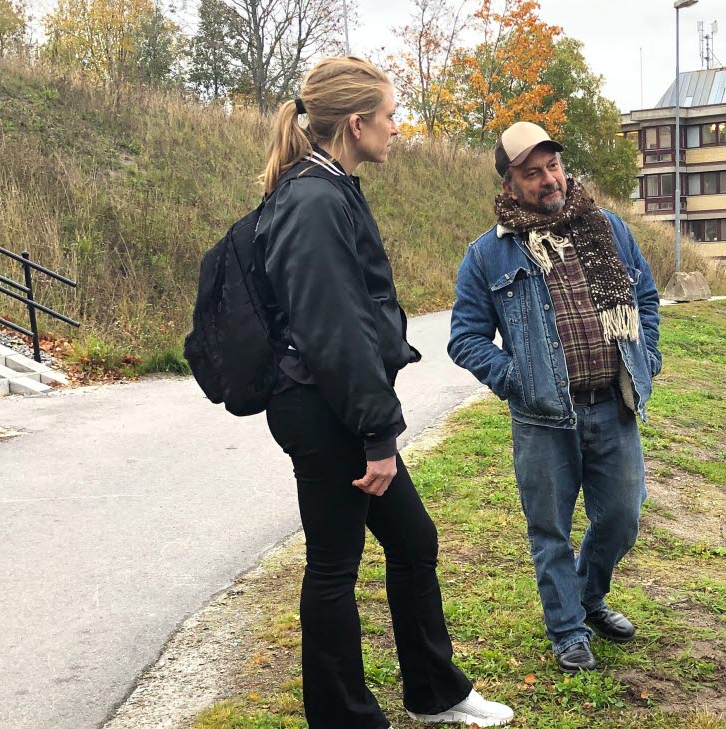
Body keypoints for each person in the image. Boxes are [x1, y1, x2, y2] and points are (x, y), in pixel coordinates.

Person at [256, 56, 513, 728]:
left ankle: (435, 692)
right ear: (356, 122)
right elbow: (334, 330)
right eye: (391, 115)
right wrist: (377, 434)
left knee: (412, 540)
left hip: (335, 402)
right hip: (324, 409)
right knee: (334, 567)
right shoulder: (313, 201)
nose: (398, 128)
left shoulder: (329, 186)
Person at [448, 122, 662, 673]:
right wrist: (517, 378)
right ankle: (567, 629)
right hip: (543, 418)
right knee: (550, 530)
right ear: (510, 184)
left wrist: (649, 355)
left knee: (621, 518)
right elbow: (465, 338)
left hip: (613, 404)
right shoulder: (487, 255)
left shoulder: (607, 227)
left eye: (553, 166)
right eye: (532, 173)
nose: (549, 179)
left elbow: (644, 295)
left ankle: (588, 597)